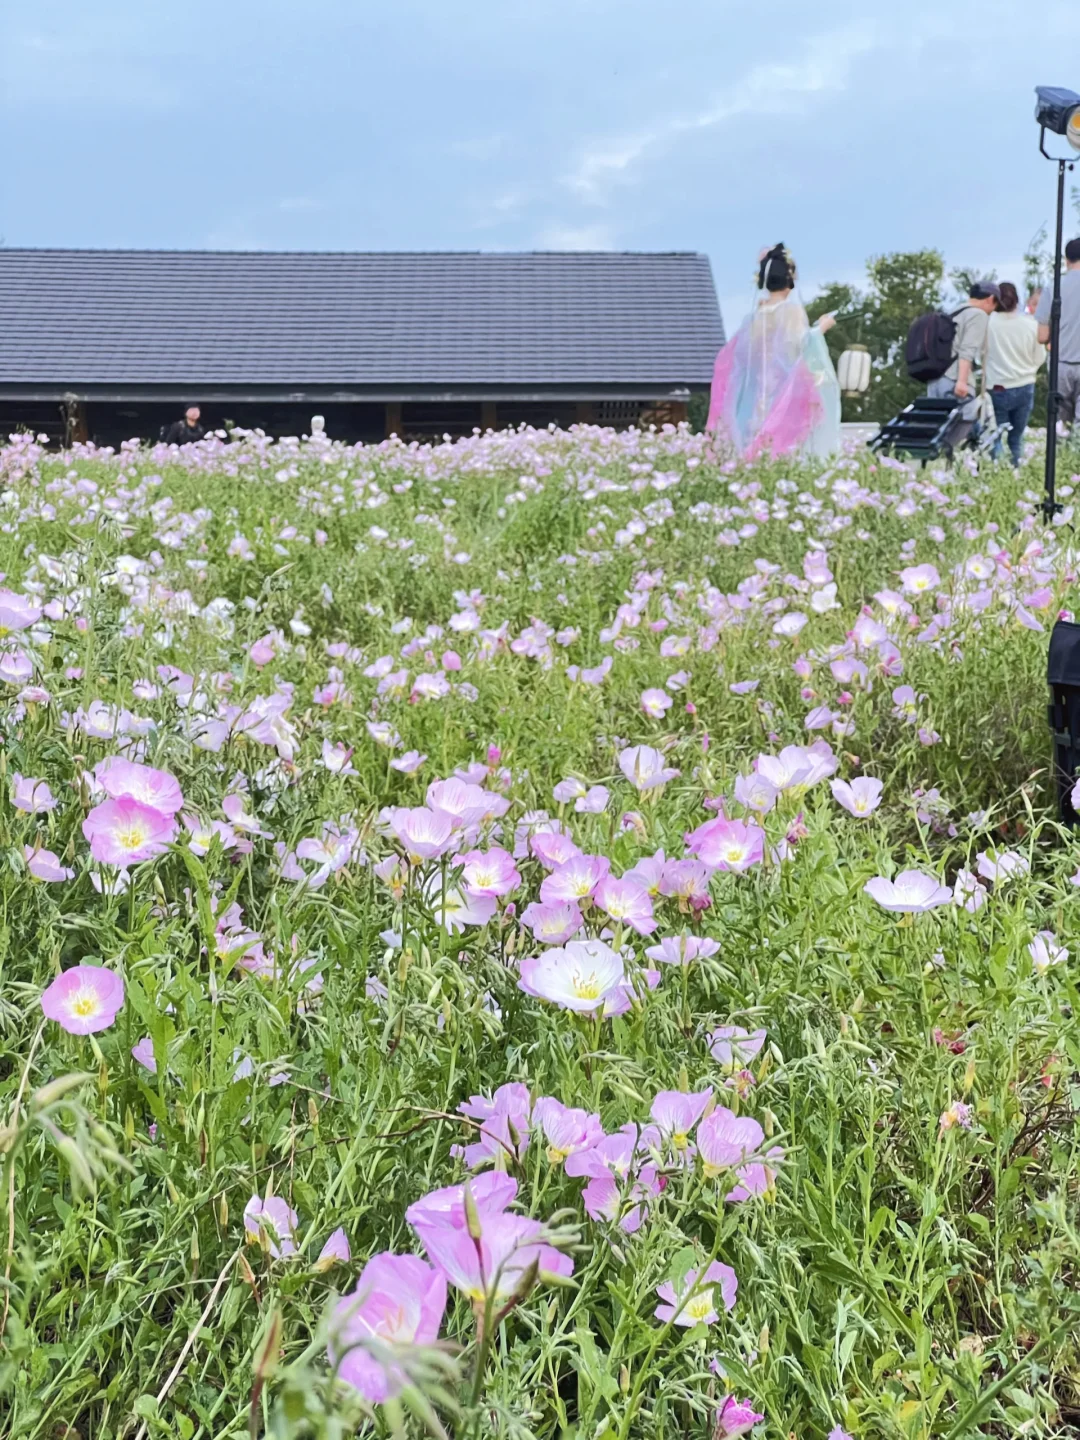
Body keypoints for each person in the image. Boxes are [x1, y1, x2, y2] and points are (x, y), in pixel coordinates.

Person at [707, 243, 840, 460]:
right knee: (785, 449)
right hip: (783, 392)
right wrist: (821, 328)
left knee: (756, 445)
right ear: (790, 280)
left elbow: (743, 357)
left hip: (756, 397)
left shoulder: (754, 317)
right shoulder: (792, 312)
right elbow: (800, 346)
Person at [986, 282, 1044, 466]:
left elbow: (980, 356)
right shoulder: (1031, 324)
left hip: (997, 385)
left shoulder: (988, 323)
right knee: (1016, 437)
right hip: (1025, 384)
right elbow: (1040, 357)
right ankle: (1016, 470)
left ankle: (996, 472)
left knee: (996, 436)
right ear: (1017, 301)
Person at [927, 281, 1000, 421]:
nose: (993, 310)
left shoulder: (953, 313)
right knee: (962, 427)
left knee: (937, 428)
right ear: (990, 299)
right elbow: (967, 350)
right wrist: (962, 381)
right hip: (954, 381)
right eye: (995, 305)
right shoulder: (978, 314)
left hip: (936, 381)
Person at [1036, 238, 1080, 430]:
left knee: (1061, 426)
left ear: (1066, 259)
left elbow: (1042, 336)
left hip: (1060, 364)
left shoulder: (1054, 286)